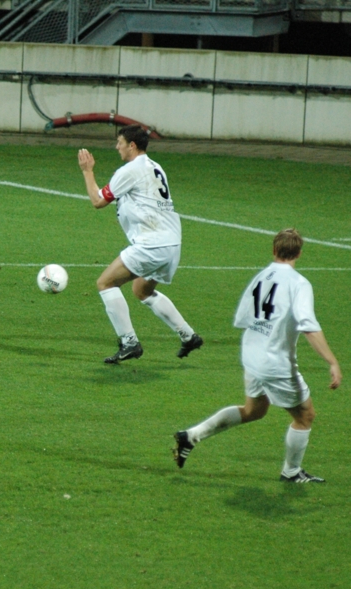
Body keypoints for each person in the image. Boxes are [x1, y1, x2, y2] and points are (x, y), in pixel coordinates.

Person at [174, 229, 342, 482]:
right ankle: (292, 472)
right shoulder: (298, 283)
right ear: (299, 253)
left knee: (254, 410)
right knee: (304, 416)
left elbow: (244, 318)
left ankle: (191, 435)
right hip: (274, 362)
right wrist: (332, 361)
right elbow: (308, 326)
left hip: (251, 353)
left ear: (274, 250)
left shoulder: (261, 277)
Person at [77, 124, 202, 364]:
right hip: (172, 243)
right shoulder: (155, 167)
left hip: (151, 244)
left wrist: (87, 170)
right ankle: (188, 336)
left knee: (105, 283)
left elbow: (98, 201)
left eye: (119, 143)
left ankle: (129, 342)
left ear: (131, 145)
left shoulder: (130, 170)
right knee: (141, 290)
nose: (117, 147)